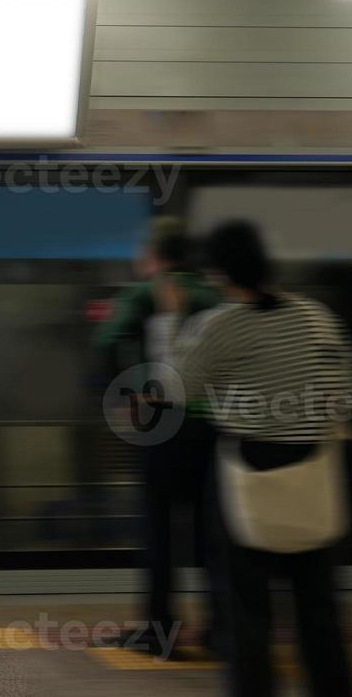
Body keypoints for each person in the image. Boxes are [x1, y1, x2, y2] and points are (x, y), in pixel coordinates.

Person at [172, 219, 352, 697]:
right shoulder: (318, 317)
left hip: (247, 480)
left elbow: (180, 387)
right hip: (317, 477)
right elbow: (349, 390)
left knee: (246, 614)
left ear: (218, 272)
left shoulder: (217, 324)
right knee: (319, 611)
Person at [95, 216, 225, 659]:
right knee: (213, 529)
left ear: (154, 253)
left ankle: (160, 631)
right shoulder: (214, 294)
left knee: (160, 529)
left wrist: (130, 391)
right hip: (210, 425)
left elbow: (108, 340)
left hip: (163, 423)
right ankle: (221, 629)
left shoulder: (144, 293)